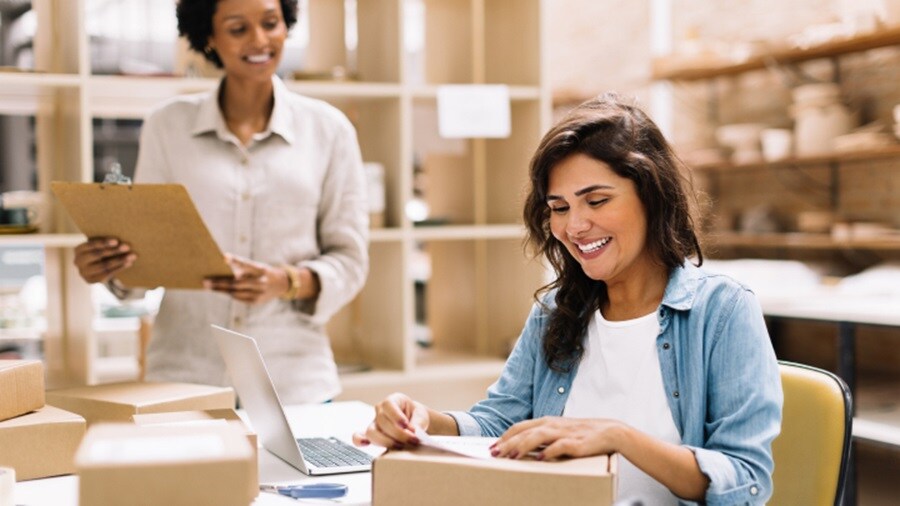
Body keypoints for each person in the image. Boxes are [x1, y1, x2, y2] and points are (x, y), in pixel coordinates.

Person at [354, 94, 782, 504]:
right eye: (559, 207)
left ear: (652, 195)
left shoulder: (722, 311)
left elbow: (745, 482)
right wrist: (427, 422)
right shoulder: (559, 310)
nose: (575, 226)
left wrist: (618, 437)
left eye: (596, 200)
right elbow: (500, 423)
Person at [72, 0, 368, 405]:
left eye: (270, 23)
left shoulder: (330, 131)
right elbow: (143, 262)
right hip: (183, 380)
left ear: (287, 25)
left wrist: (285, 282)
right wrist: (110, 268)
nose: (260, 40)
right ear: (209, 36)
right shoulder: (167, 126)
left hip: (294, 384)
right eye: (237, 28)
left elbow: (350, 261)